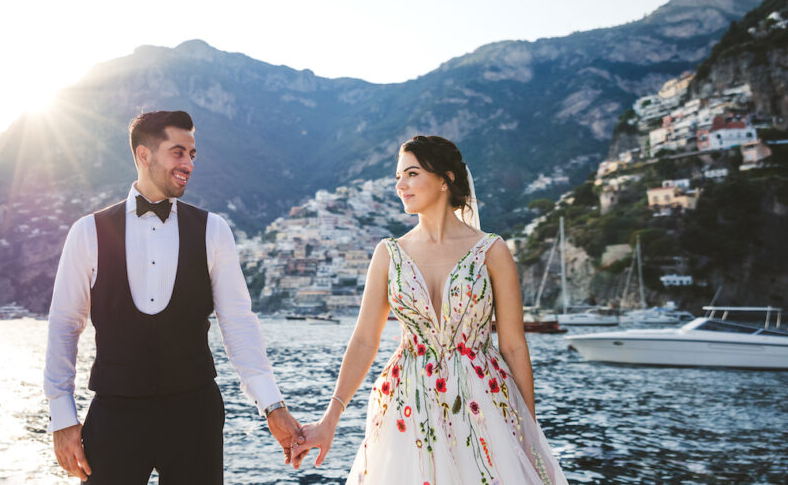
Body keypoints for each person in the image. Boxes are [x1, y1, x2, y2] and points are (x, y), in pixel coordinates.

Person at [44, 110, 306, 484]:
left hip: (194, 413)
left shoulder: (214, 231)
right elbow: (65, 325)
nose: (188, 164)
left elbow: (239, 324)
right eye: (178, 152)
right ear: (143, 155)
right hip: (115, 415)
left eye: (193, 154)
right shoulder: (87, 232)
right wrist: (63, 417)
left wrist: (273, 407)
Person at [291, 135, 567, 484]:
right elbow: (364, 340)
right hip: (408, 404)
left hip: (483, 406)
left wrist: (529, 428)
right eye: (398, 178)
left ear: (445, 178)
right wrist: (329, 420)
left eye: (411, 174)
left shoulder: (492, 251)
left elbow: (512, 345)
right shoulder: (388, 254)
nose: (400, 186)